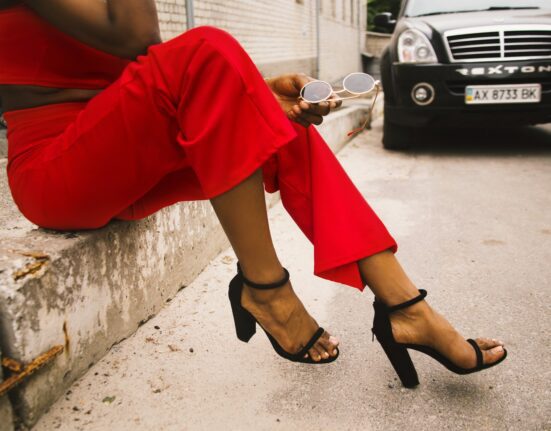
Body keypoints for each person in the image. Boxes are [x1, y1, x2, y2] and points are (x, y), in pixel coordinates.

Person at [0, 0, 506, 381]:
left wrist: (255, 94)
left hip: (121, 150)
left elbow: (140, 77)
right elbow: (136, 35)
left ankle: (405, 307)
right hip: (56, 171)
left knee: (276, 123)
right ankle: (266, 291)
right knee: (207, 48)